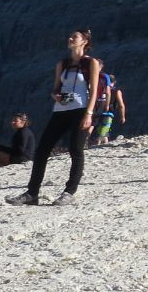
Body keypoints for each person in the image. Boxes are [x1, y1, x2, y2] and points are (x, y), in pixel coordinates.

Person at [8, 29, 100, 206]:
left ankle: (69, 192)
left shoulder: (91, 63)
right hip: (60, 110)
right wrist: (55, 96)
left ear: (85, 41)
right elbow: (55, 88)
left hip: (81, 110)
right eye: (70, 36)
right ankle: (32, 193)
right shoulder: (62, 64)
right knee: (42, 150)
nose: (70, 38)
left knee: (75, 150)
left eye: (75, 37)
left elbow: (94, 91)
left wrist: (89, 114)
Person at [89, 69, 127, 146]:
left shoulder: (100, 89)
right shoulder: (116, 91)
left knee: (99, 127)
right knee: (105, 127)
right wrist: (123, 116)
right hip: (108, 112)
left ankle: (103, 143)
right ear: (114, 82)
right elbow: (121, 105)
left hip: (97, 109)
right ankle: (99, 143)